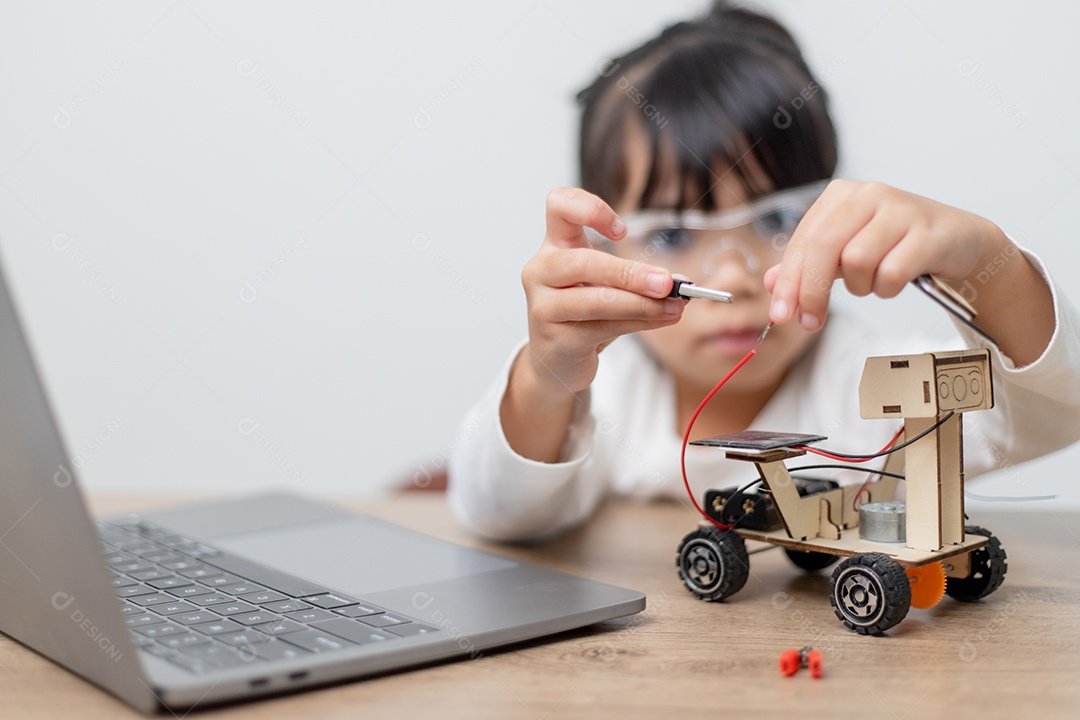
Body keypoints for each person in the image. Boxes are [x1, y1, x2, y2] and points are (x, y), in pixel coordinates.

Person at [447, 2, 1080, 541]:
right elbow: (497, 512)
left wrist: (984, 261)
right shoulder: (607, 390)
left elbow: (1058, 402)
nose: (737, 277)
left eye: (776, 221)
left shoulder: (874, 393)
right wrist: (546, 375)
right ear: (602, 250)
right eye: (671, 233)